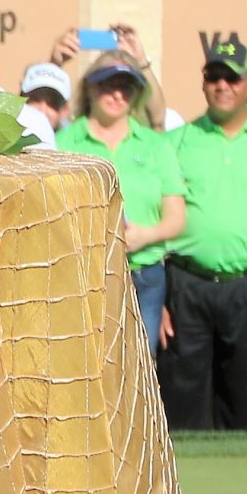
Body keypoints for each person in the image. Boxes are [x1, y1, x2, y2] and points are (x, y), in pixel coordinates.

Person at [159, 41, 247, 432]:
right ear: (204, 83)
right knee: (181, 407)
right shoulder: (177, 143)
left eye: (233, 77)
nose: (223, 85)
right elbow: (156, 225)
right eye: (214, 77)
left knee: (240, 405)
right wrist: (161, 302)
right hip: (186, 284)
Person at [59, 56, 185, 348]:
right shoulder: (64, 142)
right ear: (90, 88)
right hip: (83, 274)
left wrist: (146, 235)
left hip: (143, 276)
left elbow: (177, 218)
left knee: (140, 367)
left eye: (126, 88)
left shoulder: (156, 146)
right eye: (108, 85)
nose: (117, 95)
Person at [16, 60, 72, 149]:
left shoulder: (71, 147)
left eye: (53, 103)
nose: (42, 110)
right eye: (35, 99)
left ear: (65, 110)